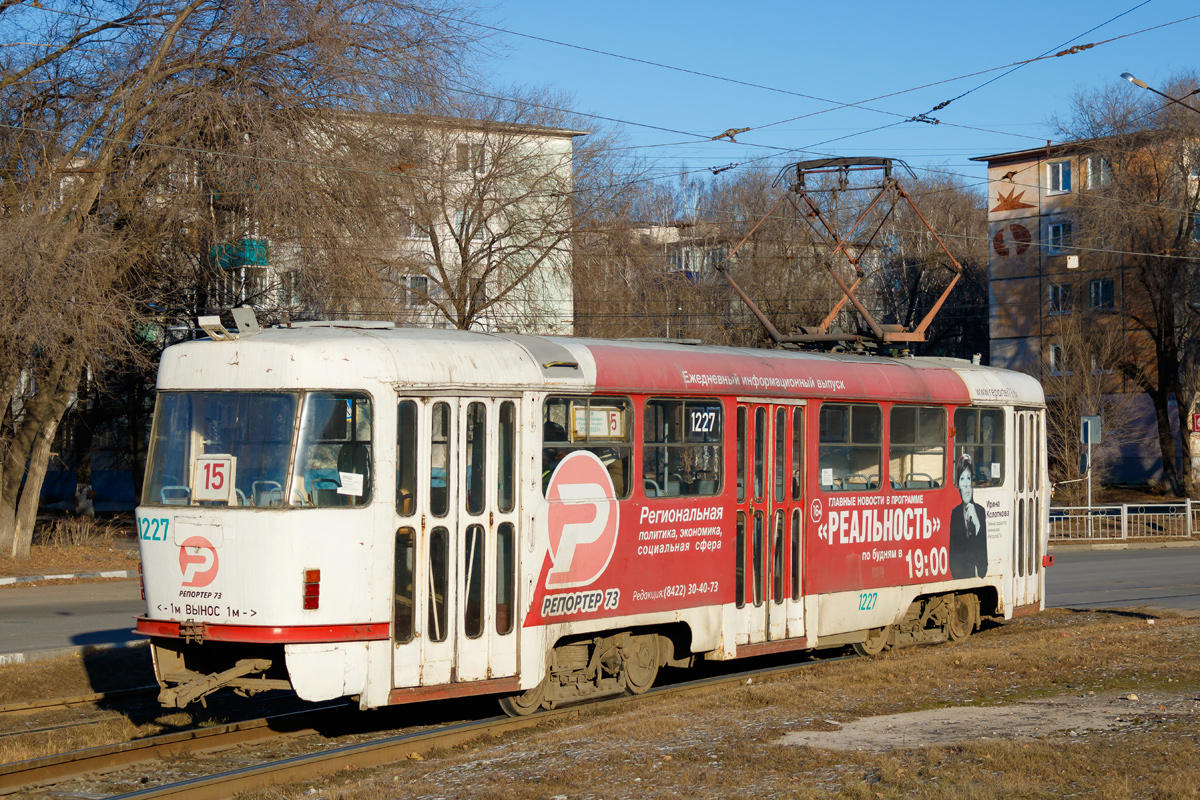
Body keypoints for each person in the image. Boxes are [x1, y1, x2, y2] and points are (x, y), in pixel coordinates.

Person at [948, 454, 988, 580]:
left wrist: (977, 525)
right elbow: (953, 551)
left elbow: (983, 551)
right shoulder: (955, 513)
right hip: (959, 576)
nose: (965, 485)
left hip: (977, 576)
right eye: (962, 479)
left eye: (968, 478)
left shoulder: (980, 511)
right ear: (958, 485)